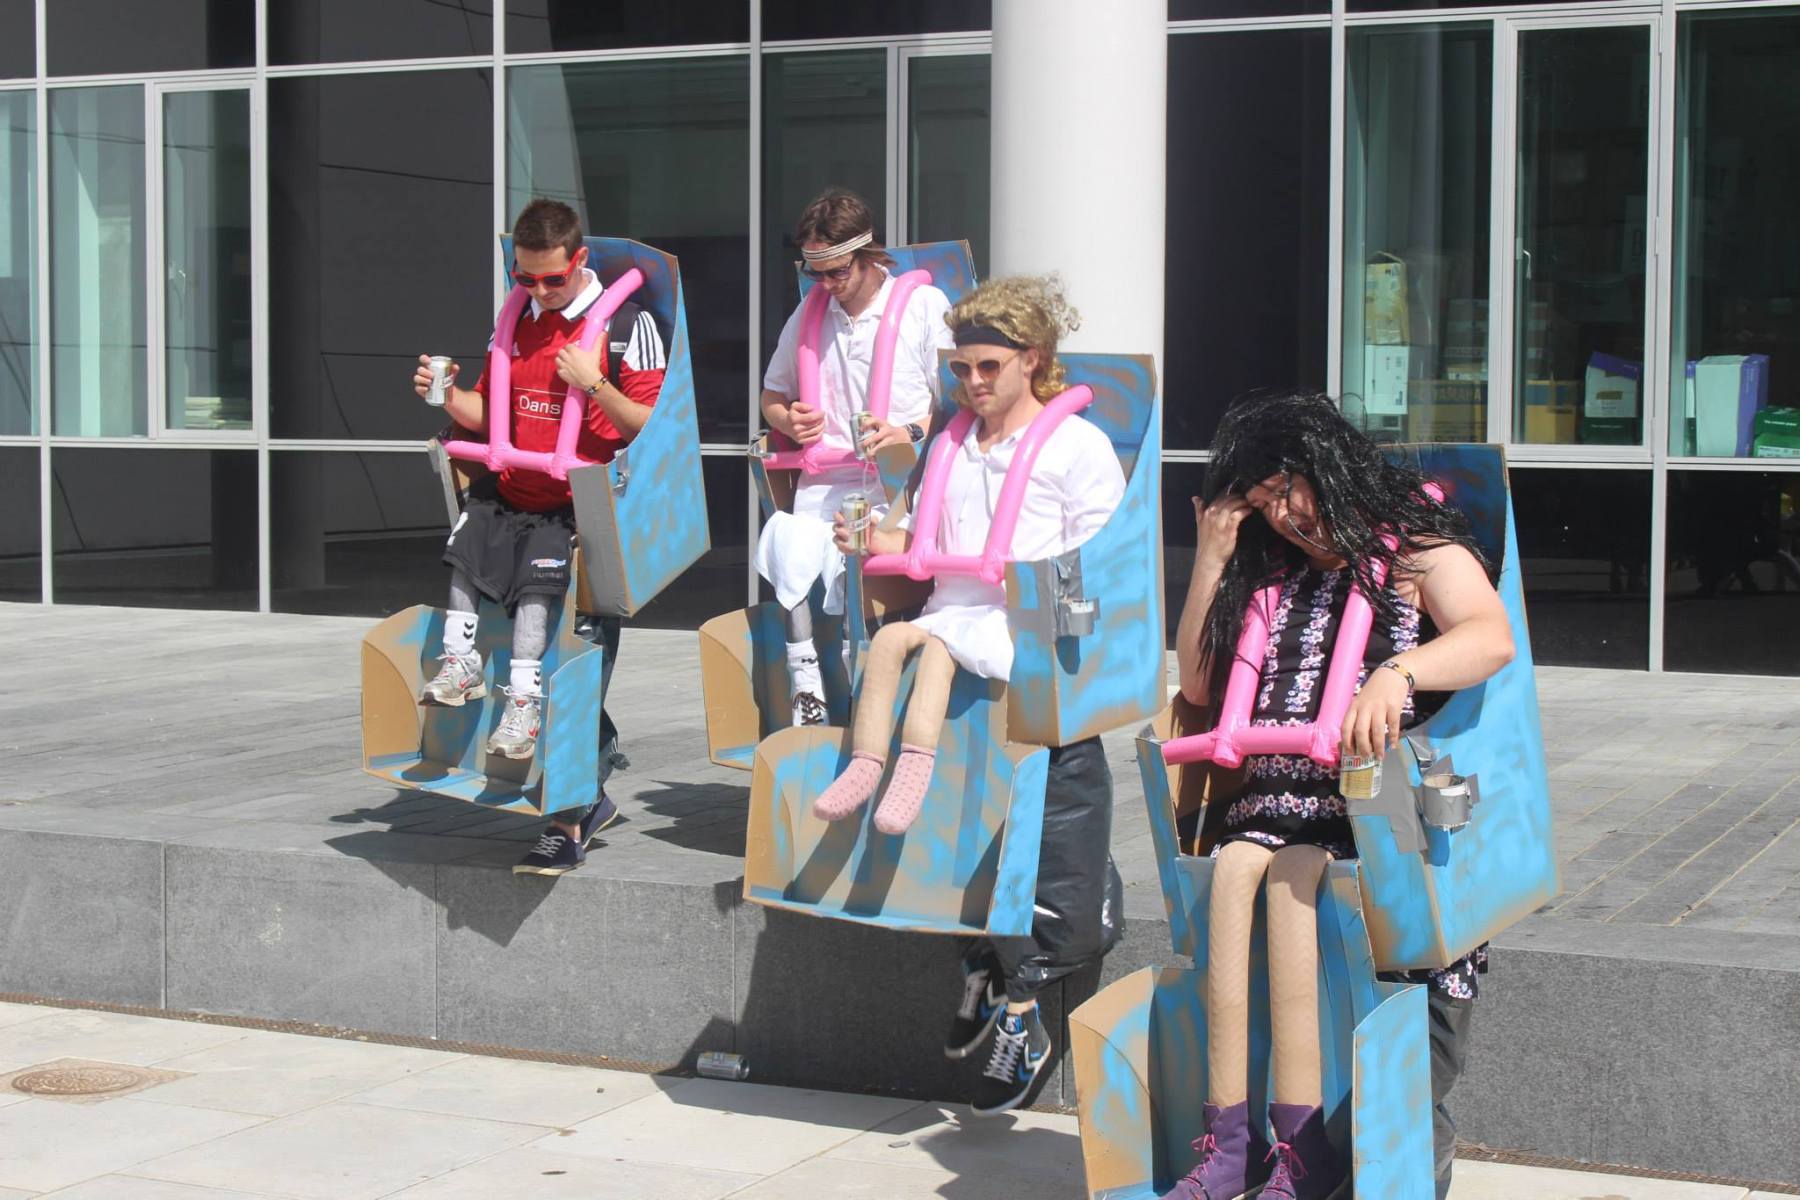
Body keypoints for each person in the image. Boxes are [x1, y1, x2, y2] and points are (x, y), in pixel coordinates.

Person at [1165, 393, 1514, 1200]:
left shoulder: (1417, 551)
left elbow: (1489, 636)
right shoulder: (1268, 576)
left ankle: (1315, 1156)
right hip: (1265, 816)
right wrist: (1212, 558)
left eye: (1289, 491)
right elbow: (1198, 686)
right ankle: (1234, 1143)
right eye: (1262, 506)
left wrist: (1399, 671)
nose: (1284, 518)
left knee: (1303, 900)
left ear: (1329, 469)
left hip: (1377, 830)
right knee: (1235, 876)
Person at [832, 275, 1127, 1117]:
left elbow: (1103, 562)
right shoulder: (951, 444)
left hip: (1028, 664)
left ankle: (1020, 998)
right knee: (969, 838)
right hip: (948, 639)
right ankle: (992, 969)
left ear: (1034, 360)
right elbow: (916, 537)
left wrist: (1038, 597)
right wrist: (871, 537)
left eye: (989, 366)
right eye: (959, 368)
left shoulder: (1077, 448)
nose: (972, 382)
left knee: (1048, 849)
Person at [412, 197, 666, 878]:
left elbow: (653, 427)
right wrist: (447, 396)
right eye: (525, 278)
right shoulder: (517, 318)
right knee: (534, 664)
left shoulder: (627, 324)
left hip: (587, 519)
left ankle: (568, 821)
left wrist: (595, 382)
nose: (540, 290)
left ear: (578, 260)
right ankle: (586, 793)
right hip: (512, 507)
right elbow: (492, 415)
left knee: (577, 670)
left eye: (552, 278)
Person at [757, 187, 953, 726]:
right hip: (827, 479)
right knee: (788, 542)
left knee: (872, 584)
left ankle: (871, 697)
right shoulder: (810, 312)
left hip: (902, 481)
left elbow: (958, 406)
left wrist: (906, 431)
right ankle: (808, 689)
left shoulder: (922, 306)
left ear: (867, 254)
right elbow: (771, 396)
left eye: (837, 271)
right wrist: (788, 420)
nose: (826, 283)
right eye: (815, 272)